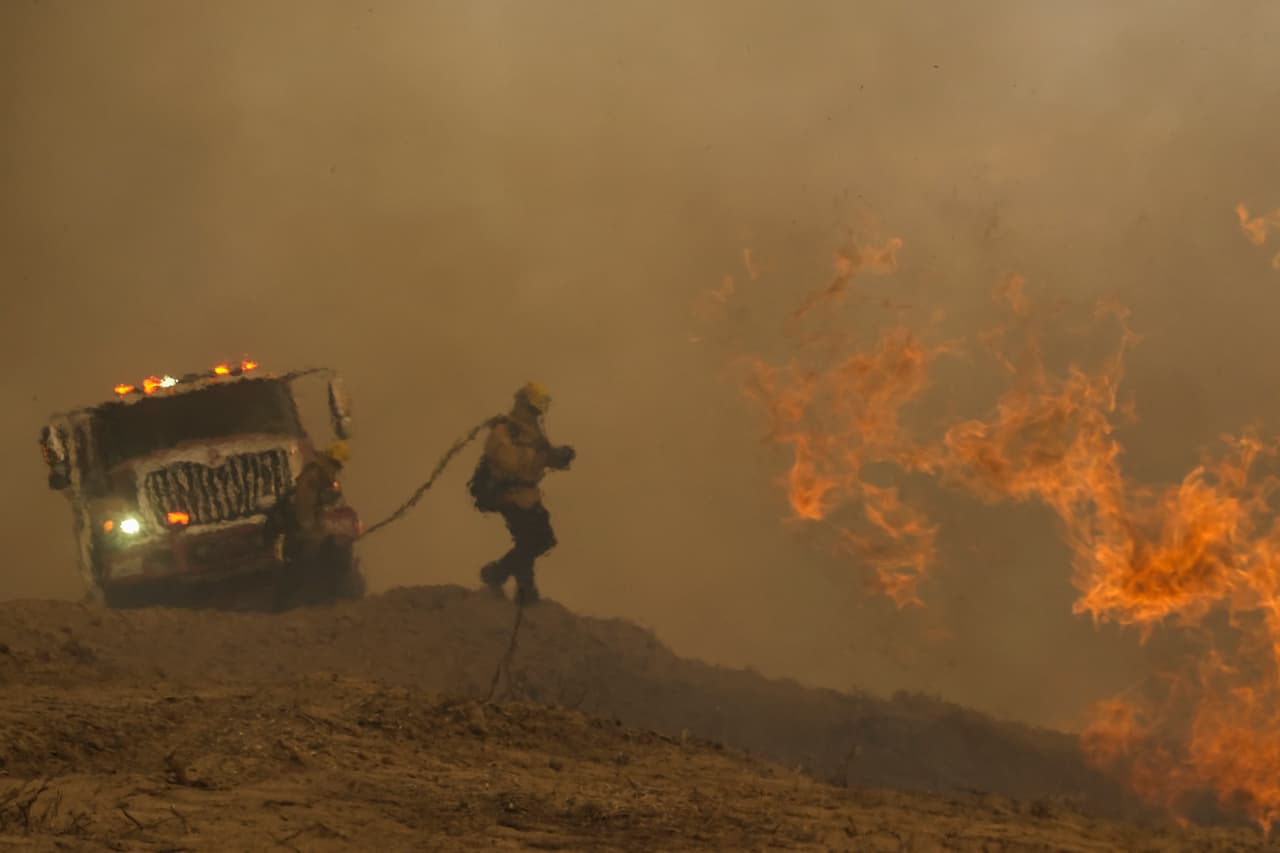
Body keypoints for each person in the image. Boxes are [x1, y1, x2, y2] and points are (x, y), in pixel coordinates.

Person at [469, 382, 575, 604]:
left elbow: (542, 461)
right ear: (521, 404)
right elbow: (509, 465)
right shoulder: (503, 432)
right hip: (508, 496)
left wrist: (560, 456)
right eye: (531, 410)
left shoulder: (533, 436)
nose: (533, 416)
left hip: (529, 497)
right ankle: (518, 586)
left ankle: (504, 577)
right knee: (530, 539)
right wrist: (535, 448)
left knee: (542, 539)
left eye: (536, 412)